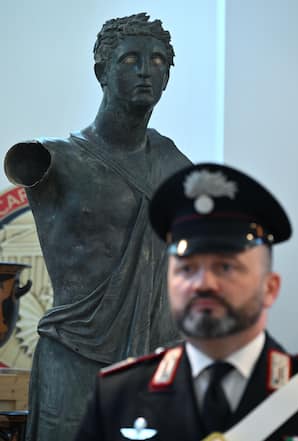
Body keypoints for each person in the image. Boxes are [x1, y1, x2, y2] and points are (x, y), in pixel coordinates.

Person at [3, 13, 191, 441]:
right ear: (100, 71)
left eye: (160, 61)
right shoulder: (54, 161)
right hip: (75, 353)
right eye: (130, 60)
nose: (147, 70)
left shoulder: (174, 164)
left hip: (156, 357)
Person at [75, 162, 298, 441]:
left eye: (225, 267)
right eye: (186, 269)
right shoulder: (118, 396)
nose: (202, 284)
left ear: (270, 288)